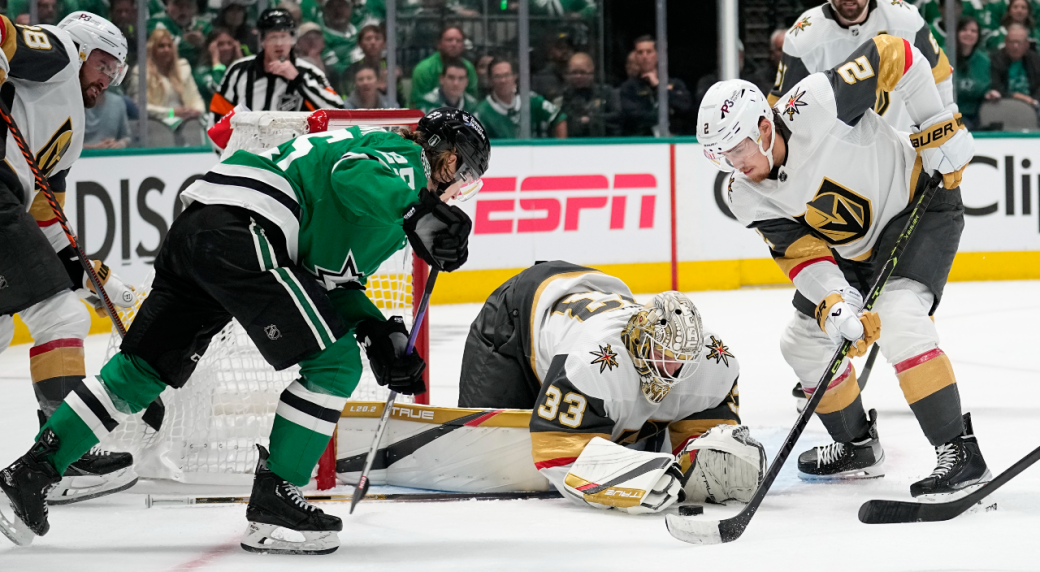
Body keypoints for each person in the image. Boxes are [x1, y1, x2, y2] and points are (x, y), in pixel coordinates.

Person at [0, 107, 491, 552]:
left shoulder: (394, 205)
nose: (455, 187)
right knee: (334, 365)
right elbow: (351, 175)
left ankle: (28, 475)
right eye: (459, 170)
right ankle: (275, 503)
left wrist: (379, 332)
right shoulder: (404, 156)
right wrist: (413, 210)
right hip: (249, 230)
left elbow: (332, 279)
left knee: (141, 370)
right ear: (439, 153)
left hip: (201, 231)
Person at [698, 36, 991, 498]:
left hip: (918, 205)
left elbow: (896, 52)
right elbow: (801, 252)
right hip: (851, 251)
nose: (732, 164)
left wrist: (938, 127)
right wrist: (836, 305)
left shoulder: (815, 102)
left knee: (898, 318)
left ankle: (960, 451)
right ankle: (856, 444)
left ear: (762, 125)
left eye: (736, 149)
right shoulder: (743, 193)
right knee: (801, 342)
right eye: (720, 156)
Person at [457, 261, 765, 513]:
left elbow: (702, 450)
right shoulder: (592, 360)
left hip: (593, 296)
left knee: (623, 430)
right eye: (661, 354)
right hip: (519, 314)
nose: (671, 371)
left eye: (681, 360)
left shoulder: (714, 361)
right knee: (483, 450)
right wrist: (634, 479)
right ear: (639, 339)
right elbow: (556, 453)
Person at [0, 11, 140, 511]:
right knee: (60, 316)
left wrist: (100, 279)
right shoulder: (58, 52)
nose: (107, 79)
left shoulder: (71, 132)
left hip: (10, 204)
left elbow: (47, 220)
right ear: (81, 49)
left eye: (118, 73)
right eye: (104, 64)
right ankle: (62, 457)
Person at [770, 0, 957, 134]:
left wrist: (951, 124)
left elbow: (939, 75)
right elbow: (782, 107)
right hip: (840, 158)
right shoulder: (803, 36)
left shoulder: (905, 18)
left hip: (904, 147)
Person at [209, 8, 343, 126]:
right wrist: (232, 153)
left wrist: (298, 80)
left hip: (295, 152)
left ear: (292, 40)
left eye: (283, 37)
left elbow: (337, 111)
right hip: (250, 152)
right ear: (262, 40)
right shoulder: (239, 71)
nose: (279, 43)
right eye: (273, 37)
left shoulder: (309, 72)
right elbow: (218, 118)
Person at [126, 28, 206, 126]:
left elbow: (195, 98)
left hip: (185, 122)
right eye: (161, 46)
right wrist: (171, 112)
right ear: (152, 49)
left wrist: (196, 111)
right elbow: (139, 106)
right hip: (155, 125)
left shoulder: (183, 69)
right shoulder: (140, 72)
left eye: (169, 46)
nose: (166, 50)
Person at [618, 35, 693, 136]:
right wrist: (669, 113)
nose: (644, 56)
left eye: (649, 52)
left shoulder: (675, 84)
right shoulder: (628, 87)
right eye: (640, 52)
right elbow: (634, 116)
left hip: (675, 139)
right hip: (642, 141)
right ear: (636, 56)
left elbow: (685, 108)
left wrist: (658, 86)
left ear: (658, 54)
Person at [474, 58, 566, 139]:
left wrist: (560, 148)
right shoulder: (482, 112)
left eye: (507, 75)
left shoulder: (531, 100)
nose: (503, 80)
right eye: (497, 77)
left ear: (514, 77)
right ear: (490, 80)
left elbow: (558, 118)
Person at [408, 26, 478, 107]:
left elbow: (473, 102)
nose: (454, 44)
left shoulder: (469, 68)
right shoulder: (423, 69)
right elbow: (418, 104)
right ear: (439, 44)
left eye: (458, 41)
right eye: (449, 40)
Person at [557, 52, 620, 138]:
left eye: (583, 72)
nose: (578, 76)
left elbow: (617, 117)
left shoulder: (606, 93)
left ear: (592, 73)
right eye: (574, 73)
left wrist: (592, 119)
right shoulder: (564, 95)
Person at [986, 22, 1040, 110]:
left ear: (1027, 44)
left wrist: (1034, 101)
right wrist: (1016, 96)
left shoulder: (1036, 60)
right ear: (1006, 42)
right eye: (1012, 42)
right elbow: (995, 87)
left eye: (1019, 42)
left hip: (1033, 105)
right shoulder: (994, 60)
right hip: (1003, 104)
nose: (1015, 46)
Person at [147, 0, 212, 67]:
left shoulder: (204, 26)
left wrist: (204, 44)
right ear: (167, 5)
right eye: (178, 5)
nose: (183, 10)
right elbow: (164, 48)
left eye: (188, 5)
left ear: (195, 8)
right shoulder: (156, 22)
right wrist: (188, 43)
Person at [955, 16, 991, 129]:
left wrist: (989, 93)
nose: (968, 33)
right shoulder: (941, 55)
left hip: (975, 116)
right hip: (946, 117)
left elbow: (986, 88)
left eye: (973, 31)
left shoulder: (984, 61)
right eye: (964, 30)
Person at [194, 27, 243, 105]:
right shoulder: (202, 72)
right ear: (210, 48)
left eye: (229, 44)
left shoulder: (235, 70)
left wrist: (240, 59)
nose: (226, 48)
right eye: (220, 44)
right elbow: (219, 91)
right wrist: (216, 61)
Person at [531, 31, 574, 103]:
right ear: (550, 51)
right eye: (560, 47)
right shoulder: (541, 78)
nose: (565, 51)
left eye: (568, 47)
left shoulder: (579, 76)